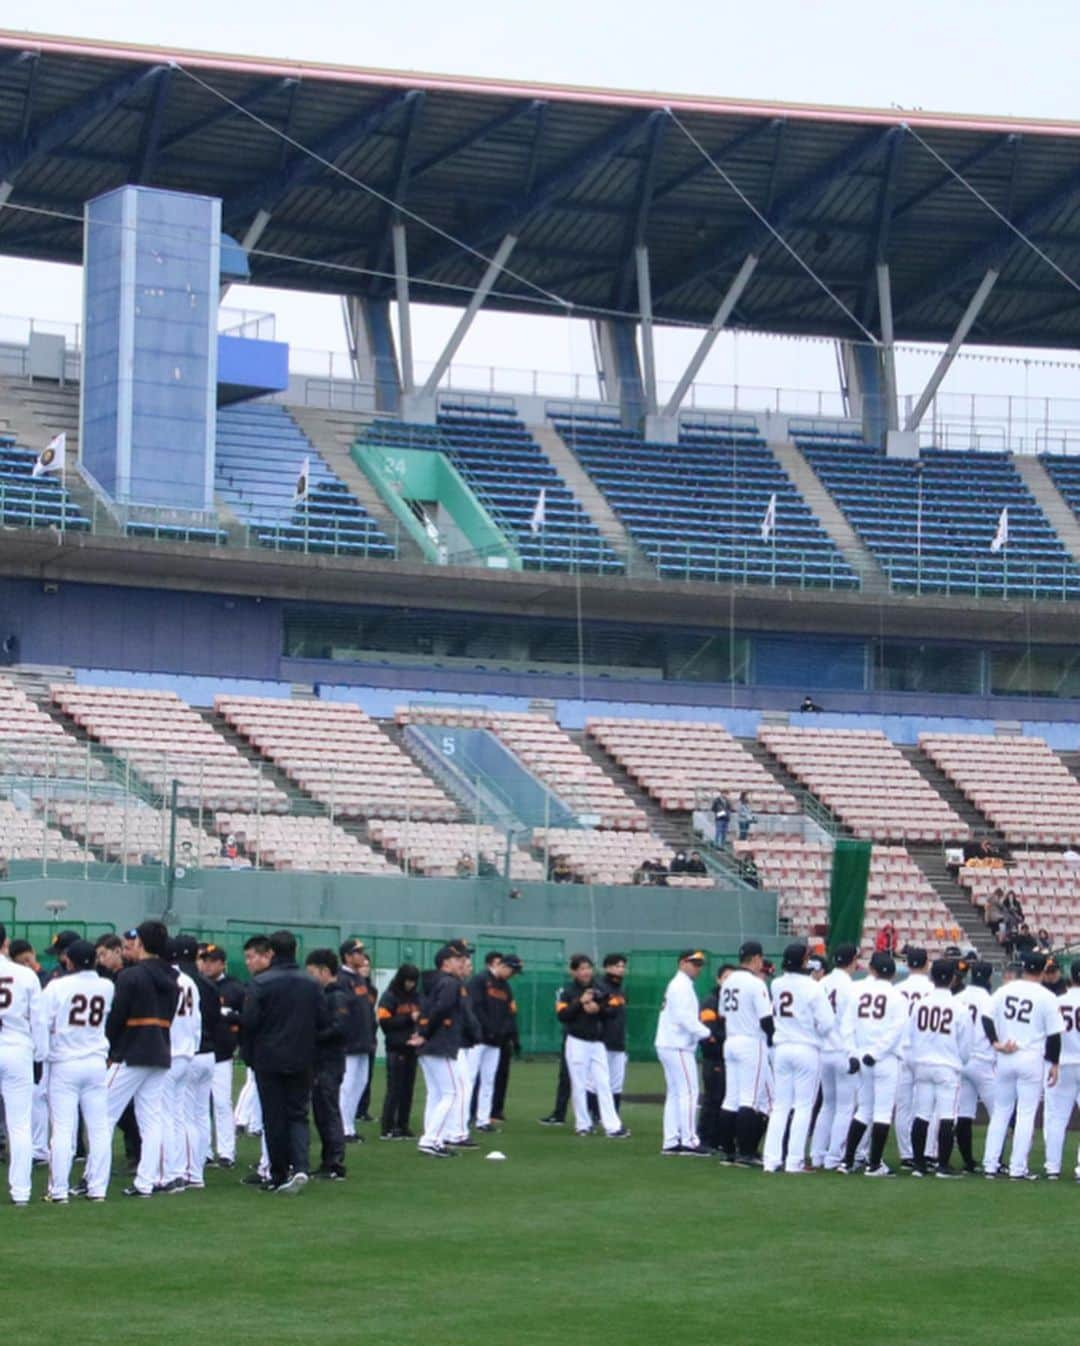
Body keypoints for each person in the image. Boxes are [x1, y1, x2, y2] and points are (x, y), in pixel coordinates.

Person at [241, 929, 329, 1194]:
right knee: (298, 1114)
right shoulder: (311, 983)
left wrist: (249, 1055)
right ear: (296, 950)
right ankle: (300, 1166)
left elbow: (250, 1023)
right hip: (302, 1057)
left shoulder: (261, 982)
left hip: (268, 1058)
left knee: (273, 1117)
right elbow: (323, 1021)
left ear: (271, 952)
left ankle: (278, 1173)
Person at [104, 919, 178, 1198]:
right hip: (160, 1048)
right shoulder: (172, 977)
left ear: (142, 943)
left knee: (102, 1115)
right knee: (151, 1119)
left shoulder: (130, 976)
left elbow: (117, 1018)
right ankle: (149, 1181)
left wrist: (111, 1048)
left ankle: (93, 1179)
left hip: (131, 1051)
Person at [40, 939, 114, 1203]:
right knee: (99, 1128)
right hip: (95, 1061)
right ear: (94, 960)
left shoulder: (57, 986)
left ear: (69, 960)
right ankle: (98, 1188)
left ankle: (58, 1190)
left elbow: (44, 1022)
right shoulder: (107, 986)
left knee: (62, 1129)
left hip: (65, 1062)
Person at [981, 950, 1064, 1181]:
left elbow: (986, 1017)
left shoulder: (1005, 989)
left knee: (1000, 1112)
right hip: (1030, 1056)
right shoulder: (1046, 996)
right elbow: (1055, 1034)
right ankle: (1017, 1168)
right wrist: (1054, 1063)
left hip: (1006, 1054)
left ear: (1024, 967)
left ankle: (990, 1164)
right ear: (1043, 970)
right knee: (1026, 1114)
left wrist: (995, 1042)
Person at [762, 942, 836, 1174]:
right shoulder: (813, 987)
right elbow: (827, 1023)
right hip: (806, 1047)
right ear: (805, 961)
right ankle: (794, 1161)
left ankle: (771, 1160)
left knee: (780, 1106)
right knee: (803, 1107)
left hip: (782, 1047)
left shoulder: (776, 983)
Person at [841, 950, 908, 1177]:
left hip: (862, 1056)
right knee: (881, 1112)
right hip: (885, 1059)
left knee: (864, 1110)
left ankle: (847, 1160)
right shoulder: (898, 997)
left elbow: (847, 1026)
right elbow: (895, 1031)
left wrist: (853, 1054)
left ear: (872, 970)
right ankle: (875, 1164)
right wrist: (877, 1053)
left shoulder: (857, 993)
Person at [904, 958, 973, 1178]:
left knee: (921, 1114)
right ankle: (942, 1165)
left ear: (932, 978)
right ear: (953, 978)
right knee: (946, 1116)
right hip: (947, 1065)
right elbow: (966, 1046)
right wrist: (959, 1062)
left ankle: (918, 1164)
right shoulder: (960, 1008)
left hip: (922, 1063)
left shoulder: (920, 1004)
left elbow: (910, 1035)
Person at [408, 942, 472, 1157]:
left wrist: (422, 1032)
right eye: (457, 959)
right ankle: (431, 1139)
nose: (461, 962)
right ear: (446, 963)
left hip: (430, 1045)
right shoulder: (450, 983)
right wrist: (425, 1033)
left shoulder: (434, 982)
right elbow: (441, 1009)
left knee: (436, 1094)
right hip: (440, 1045)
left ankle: (433, 1138)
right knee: (451, 1093)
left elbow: (429, 1010)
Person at [556, 954, 629, 1141]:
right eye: (581, 968)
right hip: (577, 1041)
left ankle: (612, 1125)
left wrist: (598, 1007)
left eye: (588, 968)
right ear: (573, 971)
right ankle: (583, 1124)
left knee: (603, 1083)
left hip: (597, 1042)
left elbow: (612, 1011)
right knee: (579, 1083)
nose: (586, 972)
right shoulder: (568, 991)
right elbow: (563, 1015)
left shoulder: (600, 987)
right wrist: (580, 1002)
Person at [716, 940, 774, 1166]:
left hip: (731, 1040)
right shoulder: (754, 983)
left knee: (731, 1099)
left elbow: (722, 1015)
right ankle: (746, 1152)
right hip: (751, 1041)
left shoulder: (728, 981)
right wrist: (774, 1039)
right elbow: (766, 1020)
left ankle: (729, 1151)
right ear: (757, 958)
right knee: (749, 1099)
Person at [0, 921, 46, 1206]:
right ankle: (21, 1192)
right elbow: (38, 1020)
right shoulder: (25, 975)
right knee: (19, 1125)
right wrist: (39, 1054)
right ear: (5, 944)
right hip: (17, 1048)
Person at [174, 935, 220, 1192]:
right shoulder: (208, 984)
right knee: (202, 1114)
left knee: (184, 1114)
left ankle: (187, 1170)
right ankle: (198, 1170)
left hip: (188, 1053)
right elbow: (213, 1021)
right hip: (209, 1053)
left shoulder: (178, 981)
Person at [655, 950, 711, 1157]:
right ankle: (689, 1140)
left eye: (699, 964)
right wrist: (706, 1032)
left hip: (670, 1043)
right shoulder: (680, 985)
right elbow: (683, 1018)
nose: (697, 967)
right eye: (693, 963)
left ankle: (671, 1140)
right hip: (677, 1044)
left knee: (676, 1093)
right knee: (689, 1092)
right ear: (682, 963)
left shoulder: (681, 984)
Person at [809, 942, 859, 1171]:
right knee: (845, 1107)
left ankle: (817, 1154)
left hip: (822, 1050)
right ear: (852, 961)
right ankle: (833, 1157)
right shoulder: (852, 987)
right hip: (842, 1050)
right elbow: (852, 1025)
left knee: (827, 1105)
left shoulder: (822, 983)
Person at [304, 949, 351, 1180]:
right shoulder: (326, 994)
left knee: (328, 1110)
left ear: (324, 971)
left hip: (329, 1062)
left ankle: (335, 1162)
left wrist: (313, 1035)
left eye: (312, 972)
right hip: (323, 1061)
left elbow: (339, 1028)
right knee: (322, 1111)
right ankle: (328, 1160)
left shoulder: (337, 996)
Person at [197, 943, 244, 1168]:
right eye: (204, 960)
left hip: (222, 1053)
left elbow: (245, 1014)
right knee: (200, 1105)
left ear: (222, 963)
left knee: (222, 1103)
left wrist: (232, 1018)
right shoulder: (196, 985)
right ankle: (203, 1151)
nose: (207, 965)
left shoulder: (233, 987)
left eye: (212, 960)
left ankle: (226, 1152)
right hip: (199, 1052)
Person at [466, 952, 519, 1131]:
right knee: (469, 1078)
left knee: (489, 1080)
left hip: (495, 1041)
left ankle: (483, 1119)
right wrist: (487, 1029)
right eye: (512, 970)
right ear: (503, 965)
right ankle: (463, 1117)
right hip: (477, 1039)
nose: (512, 975)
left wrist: (505, 1034)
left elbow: (508, 1013)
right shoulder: (480, 980)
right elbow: (475, 1007)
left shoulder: (506, 987)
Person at [954, 961, 996, 1174]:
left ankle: (968, 1161)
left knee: (964, 1112)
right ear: (989, 978)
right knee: (1000, 1113)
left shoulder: (958, 997)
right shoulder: (990, 1000)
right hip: (983, 1060)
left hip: (962, 1061)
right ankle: (994, 1162)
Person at [894, 947, 932, 1170]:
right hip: (923, 1050)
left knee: (903, 1105)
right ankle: (925, 1151)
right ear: (926, 964)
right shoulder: (932, 988)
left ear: (908, 964)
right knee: (924, 1104)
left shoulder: (897, 989)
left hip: (901, 1050)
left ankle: (906, 1153)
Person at [1043, 960, 1080, 1181]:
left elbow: (1049, 1036)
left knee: (1057, 1117)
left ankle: (1052, 1167)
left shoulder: (1057, 1001)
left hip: (1062, 1062)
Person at [336, 938, 375, 1144]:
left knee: (360, 1083)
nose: (362, 956)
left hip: (363, 1041)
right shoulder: (342, 979)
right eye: (357, 952)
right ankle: (342, 1128)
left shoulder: (359, 979)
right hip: (350, 1043)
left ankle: (349, 1126)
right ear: (347, 956)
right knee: (348, 1085)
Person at [378, 963, 422, 1140]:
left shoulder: (417, 997)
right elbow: (384, 1022)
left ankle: (403, 1125)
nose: (410, 985)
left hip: (412, 1047)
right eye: (408, 981)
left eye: (413, 981)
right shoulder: (389, 996)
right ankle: (387, 1127)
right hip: (395, 1048)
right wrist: (407, 1018)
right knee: (394, 1089)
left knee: (408, 1089)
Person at [698, 965, 734, 1151]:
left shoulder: (730, 1001)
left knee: (724, 1097)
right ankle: (705, 1138)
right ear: (718, 979)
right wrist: (724, 1038)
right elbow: (708, 1030)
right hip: (714, 1057)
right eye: (726, 977)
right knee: (713, 1097)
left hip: (726, 1056)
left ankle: (718, 1138)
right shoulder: (711, 1001)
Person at [597, 953, 629, 1118]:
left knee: (616, 1083)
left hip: (618, 1041)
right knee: (598, 1082)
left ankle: (613, 1116)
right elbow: (598, 1012)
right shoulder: (600, 987)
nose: (621, 969)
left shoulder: (621, 990)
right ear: (607, 967)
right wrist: (609, 1008)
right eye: (617, 966)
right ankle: (595, 1114)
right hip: (602, 1041)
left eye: (623, 966)